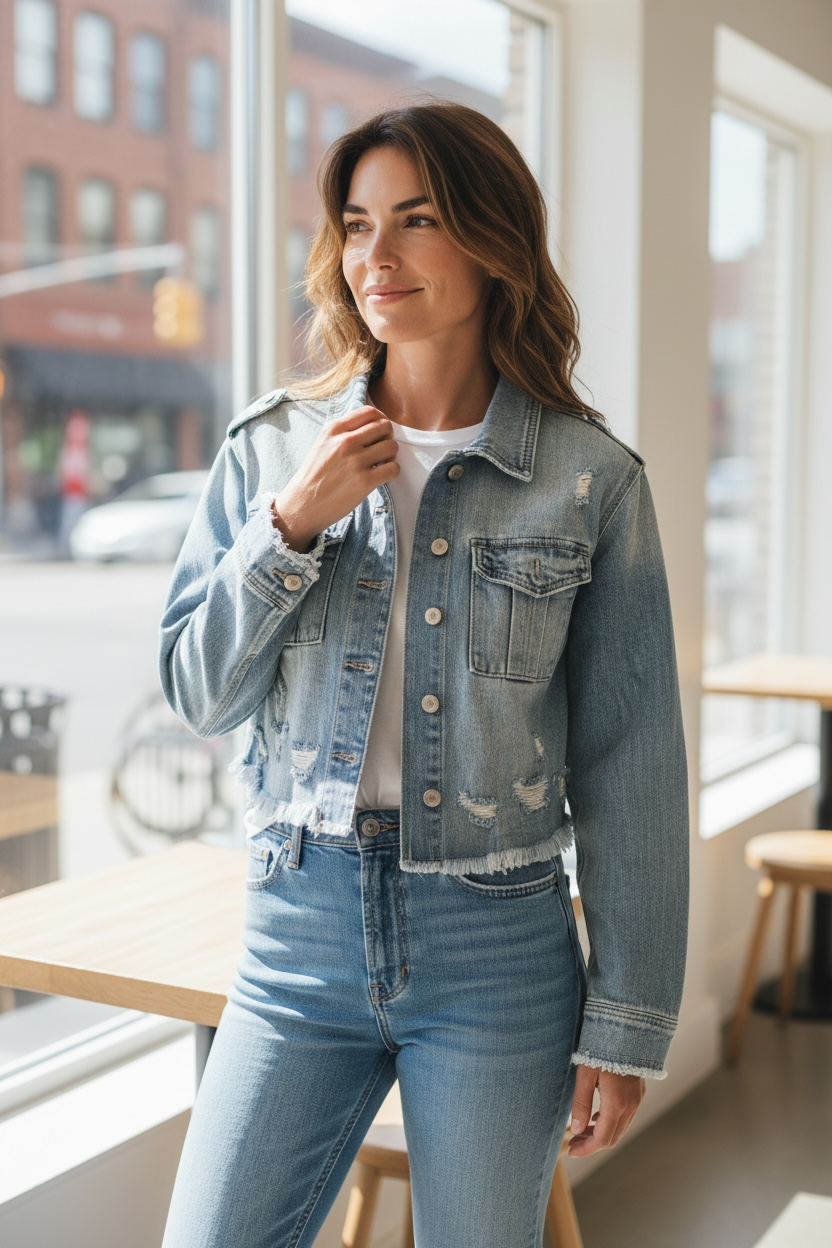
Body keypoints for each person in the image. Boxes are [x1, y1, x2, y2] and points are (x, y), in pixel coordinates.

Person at [159, 101, 688, 1248]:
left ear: (493, 242)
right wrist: (289, 527)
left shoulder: (589, 480)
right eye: (356, 226)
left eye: (416, 220)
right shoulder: (272, 448)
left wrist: (627, 1021)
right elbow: (199, 694)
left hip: (499, 949)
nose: (375, 258)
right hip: (295, 938)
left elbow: (631, 762)